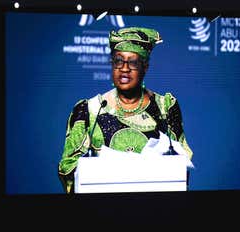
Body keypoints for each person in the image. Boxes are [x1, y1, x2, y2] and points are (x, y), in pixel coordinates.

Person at [57, 27, 193, 193]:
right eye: (118, 61)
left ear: (145, 67)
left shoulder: (165, 107)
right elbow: (67, 167)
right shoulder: (89, 110)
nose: (124, 68)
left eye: (133, 62)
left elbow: (181, 164)